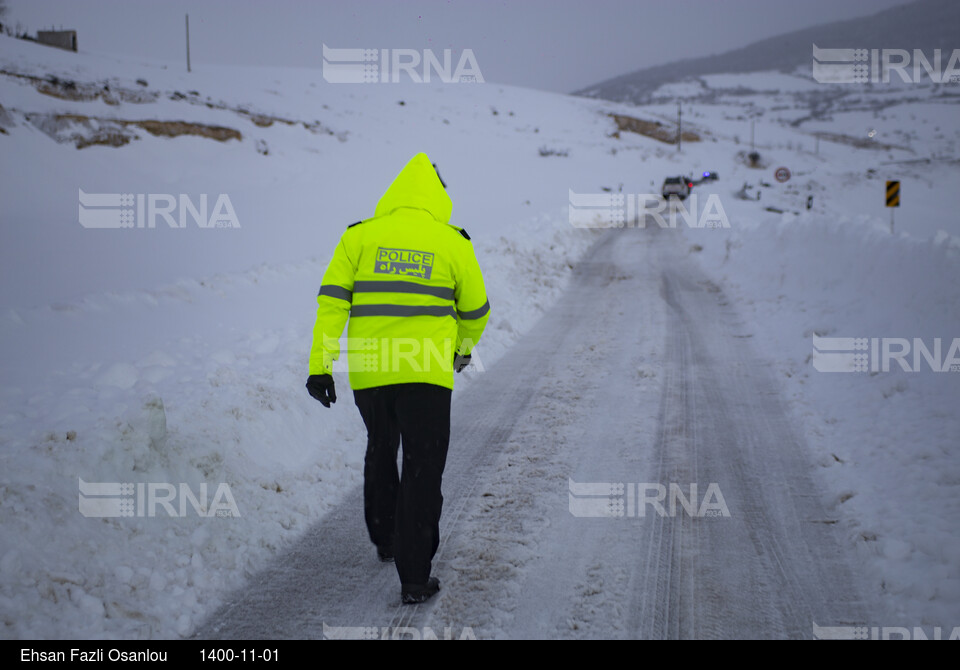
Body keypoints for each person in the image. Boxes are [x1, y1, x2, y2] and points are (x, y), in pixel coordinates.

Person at [305, 152, 490, 604]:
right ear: (437, 197)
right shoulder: (452, 242)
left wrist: (320, 365)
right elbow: (476, 311)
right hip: (426, 373)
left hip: (370, 372)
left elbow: (331, 304)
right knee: (423, 467)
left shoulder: (359, 237)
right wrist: (462, 352)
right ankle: (414, 576)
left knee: (381, 447)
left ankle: (387, 539)